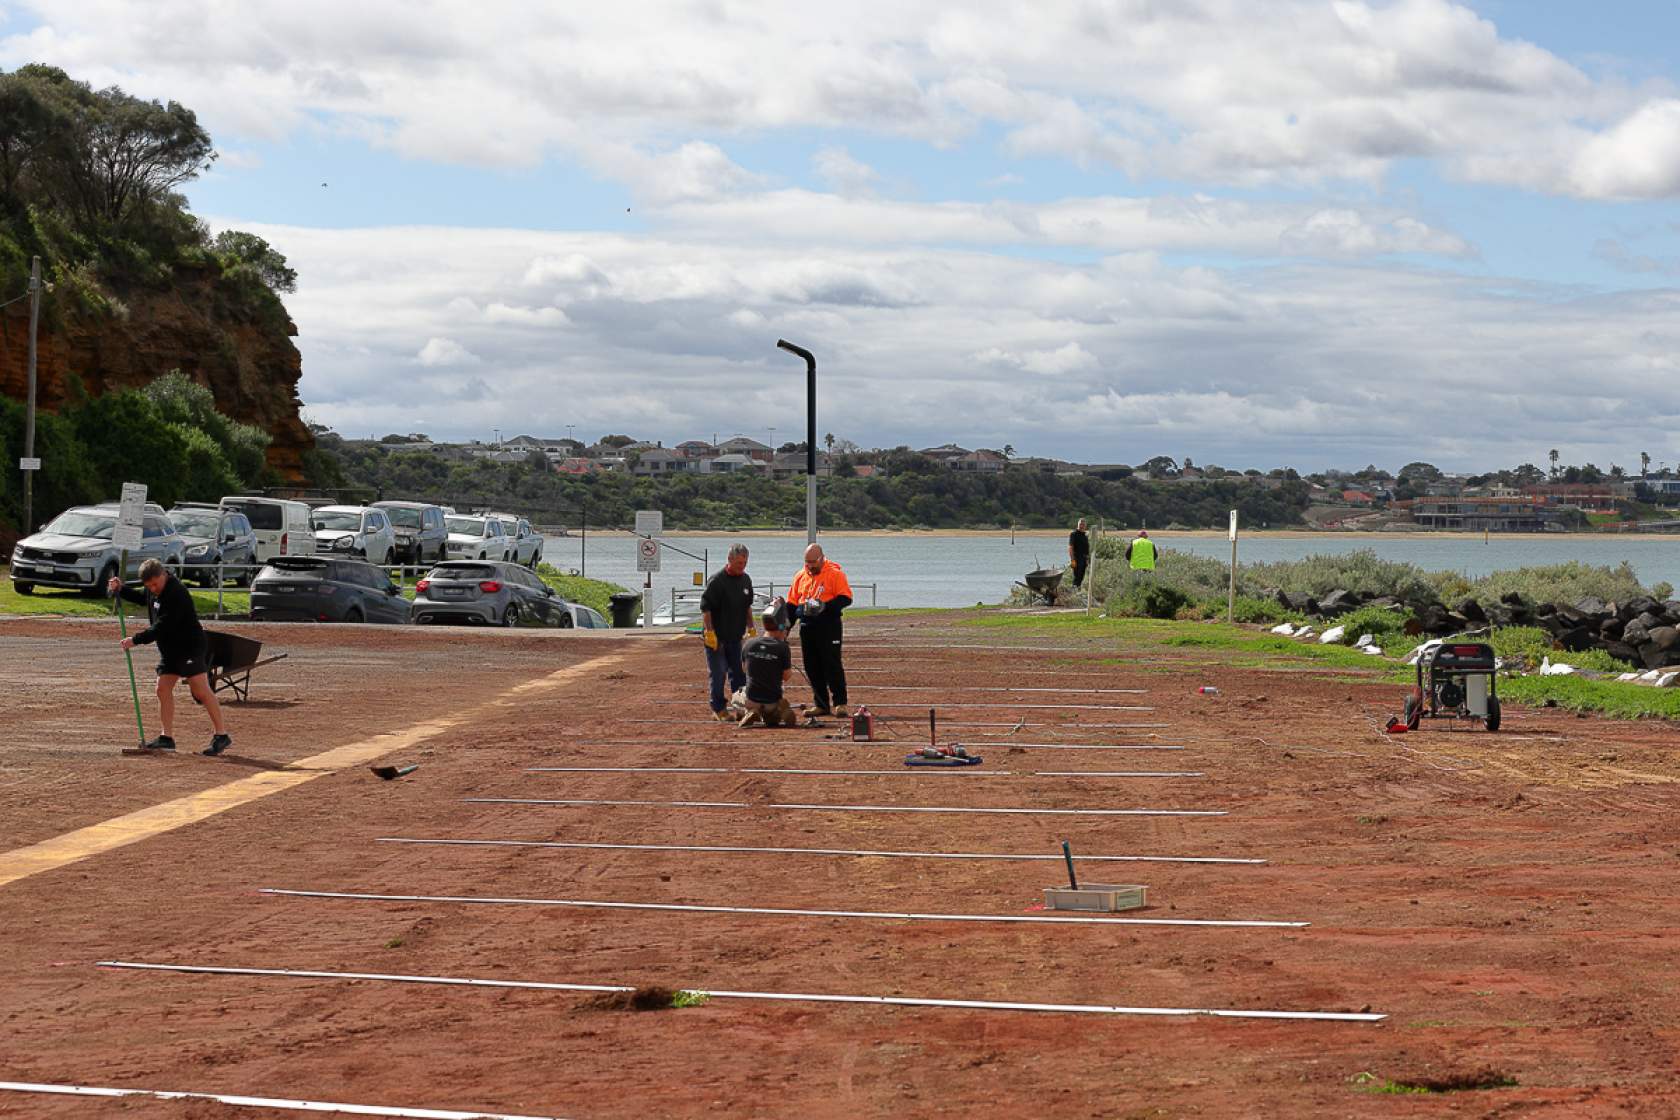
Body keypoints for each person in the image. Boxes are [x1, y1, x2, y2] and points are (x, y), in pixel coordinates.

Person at [108, 558, 231, 756]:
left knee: (200, 689)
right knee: (162, 688)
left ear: (163, 574)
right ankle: (167, 738)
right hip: (171, 650)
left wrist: (136, 640)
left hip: (189, 647)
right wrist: (121, 589)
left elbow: (162, 626)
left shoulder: (176, 593)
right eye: (149, 586)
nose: (152, 589)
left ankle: (221, 735)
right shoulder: (155, 589)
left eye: (155, 584)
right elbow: (143, 598)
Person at [788, 543, 853, 718]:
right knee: (811, 666)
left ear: (822, 558)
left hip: (829, 626)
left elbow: (846, 598)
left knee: (832, 664)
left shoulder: (835, 574)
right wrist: (784, 629)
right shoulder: (800, 576)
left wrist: (824, 606)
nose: (810, 566)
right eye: (807, 562)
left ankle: (840, 703)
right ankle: (821, 704)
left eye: (813, 562)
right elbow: (792, 604)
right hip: (807, 627)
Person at [699, 543, 755, 722]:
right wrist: (710, 632)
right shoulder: (717, 581)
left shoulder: (746, 580)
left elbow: (747, 606)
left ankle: (740, 707)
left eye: (744, 563)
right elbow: (706, 608)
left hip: (736, 637)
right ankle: (719, 708)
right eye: (739, 563)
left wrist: (751, 627)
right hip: (717, 638)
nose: (742, 566)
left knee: (739, 674)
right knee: (718, 673)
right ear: (729, 559)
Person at [739, 601, 795, 728]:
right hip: (772, 700)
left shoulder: (749, 643)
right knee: (772, 719)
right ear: (781, 627)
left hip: (751, 699)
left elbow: (744, 669)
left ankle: (751, 711)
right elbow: (786, 676)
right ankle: (775, 712)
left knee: (737, 696)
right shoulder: (782, 647)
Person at [1068, 518, 1091, 588]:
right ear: (1078, 525)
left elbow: (1086, 549)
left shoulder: (1085, 536)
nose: (1082, 526)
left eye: (1083, 524)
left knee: (1081, 578)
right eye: (1080, 524)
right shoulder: (1073, 534)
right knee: (1076, 577)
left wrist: (1087, 559)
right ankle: (1074, 591)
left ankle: (1078, 590)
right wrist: (1072, 560)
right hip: (1076, 558)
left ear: (1085, 526)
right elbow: (1070, 547)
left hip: (1084, 559)